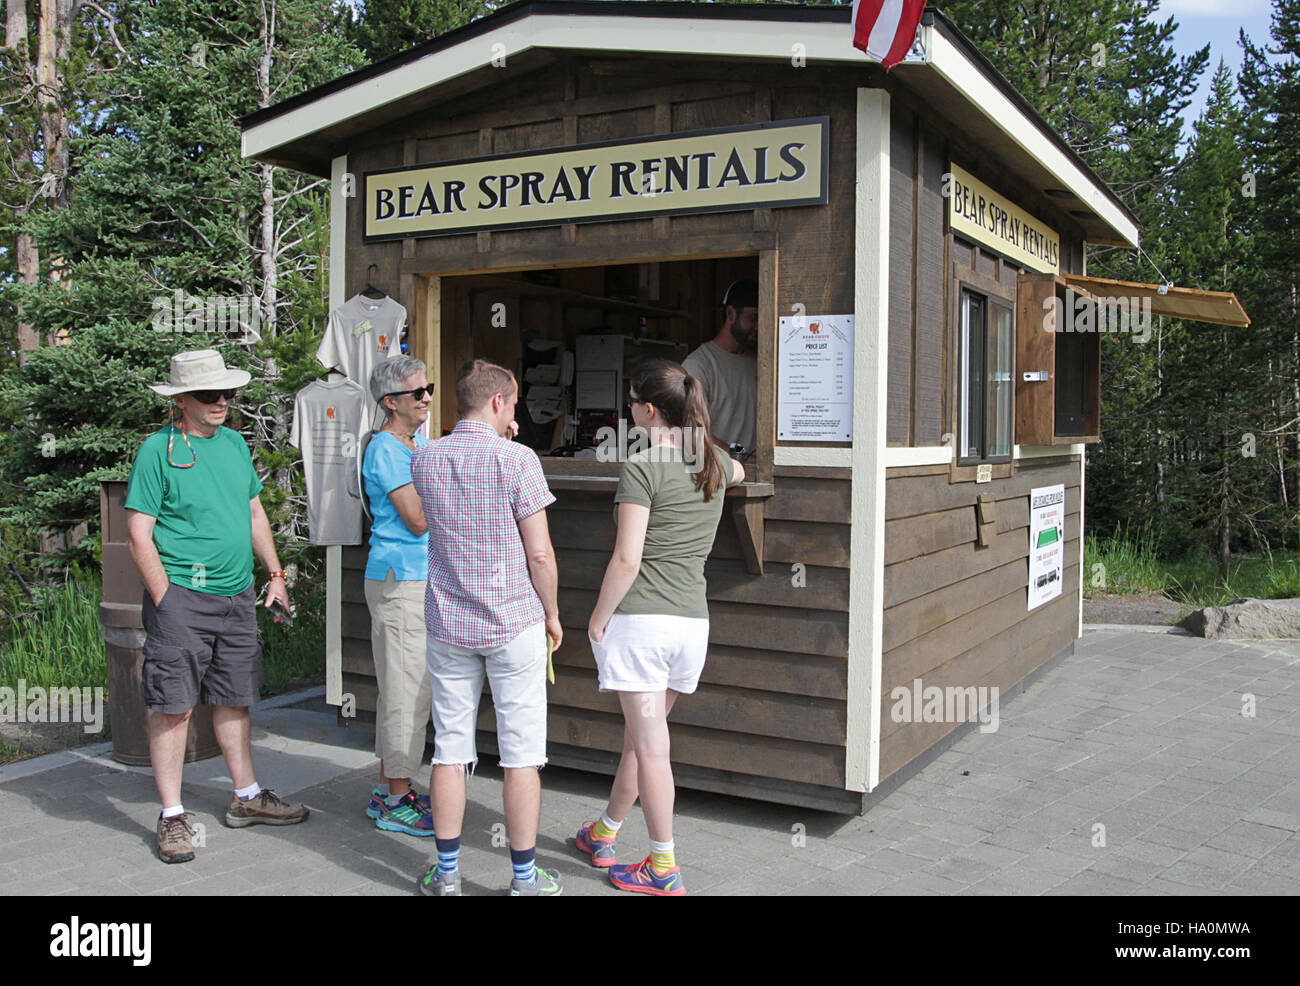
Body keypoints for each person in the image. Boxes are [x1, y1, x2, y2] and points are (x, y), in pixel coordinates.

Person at [125, 349, 308, 865]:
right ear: (181, 400)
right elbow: (138, 535)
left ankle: (246, 797)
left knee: (234, 697)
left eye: (227, 393)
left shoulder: (232, 444)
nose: (222, 402)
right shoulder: (156, 451)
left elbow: (253, 512)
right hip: (182, 599)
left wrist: (275, 575)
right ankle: (172, 814)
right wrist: (166, 598)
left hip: (235, 599)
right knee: (174, 704)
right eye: (209, 395)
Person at [575, 358, 743, 895]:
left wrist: (597, 620)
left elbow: (627, 560)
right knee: (641, 740)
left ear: (649, 410)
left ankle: (663, 866)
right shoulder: (713, 462)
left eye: (631, 402)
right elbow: (740, 472)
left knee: (650, 748)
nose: (628, 410)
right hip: (690, 627)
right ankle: (604, 833)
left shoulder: (642, 468)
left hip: (642, 626)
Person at [411, 358, 564, 896]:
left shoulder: (426, 457)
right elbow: (540, 554)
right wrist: (552, 613)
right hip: (513, 620)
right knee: (521, 753)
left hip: (449, 621)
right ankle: (524, 879)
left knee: (450, 747)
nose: (516, 413)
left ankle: (447, 876)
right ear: (499, 402)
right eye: (514, 404)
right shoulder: (518, 460)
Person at [361, 356, 436, 836]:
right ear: (391, 403)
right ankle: (395, 799)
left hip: (417, 579)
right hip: (400, 580)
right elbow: (419, 518)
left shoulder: (418, 441)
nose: (427, 397)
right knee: (406, 691)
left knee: (407, 686)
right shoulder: (386, 449)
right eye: (418, 393)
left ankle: (391, 786)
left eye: (428, 388)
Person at [681, 277, 758, 456]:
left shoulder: (760, 363)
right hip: (715, 476)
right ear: (731, 314)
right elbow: (690, 430)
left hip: (753, 473)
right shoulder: (699, 365)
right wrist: (739, 457)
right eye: (753, 318)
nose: (758, 326)